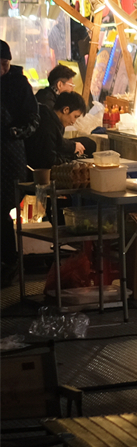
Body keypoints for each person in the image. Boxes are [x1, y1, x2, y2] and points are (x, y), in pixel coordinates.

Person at [0, 41, 39, 283]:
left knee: (2, 209)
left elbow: (33, 120)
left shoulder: (18, 84)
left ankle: (10, 261)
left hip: (9, 156)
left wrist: (14, 132)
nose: (3, 68)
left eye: (4, 64)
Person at [36, 65, 96, 157]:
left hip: (53, 144)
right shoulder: (47, 103)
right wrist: (72, 146)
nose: (72, 89)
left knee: (88, 143)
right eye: (71, 85)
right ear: (60, 85)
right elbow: (53, 138)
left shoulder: (47, 96)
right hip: (46, 149)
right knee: (87, 145)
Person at [24, 93, 88, 175]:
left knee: (87, 143)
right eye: (75, 116)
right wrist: (72, 160)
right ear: (66, 110)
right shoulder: (48, 126)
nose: (74, 121)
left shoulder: (53, 120)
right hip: (39, 173)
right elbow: (50, 161)